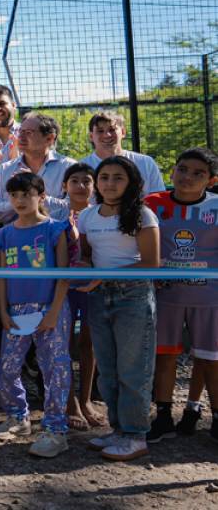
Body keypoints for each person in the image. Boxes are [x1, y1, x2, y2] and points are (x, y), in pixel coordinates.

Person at [78, 156, 159, 461]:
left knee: (133, 369)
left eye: (118, 178)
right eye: (104, 177)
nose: (110, 183)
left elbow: (151, 265)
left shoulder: (142, 214)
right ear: (96, 182)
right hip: (98, 297)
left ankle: (136, 434)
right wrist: (82, 268)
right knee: (108, 371)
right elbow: (87, 256)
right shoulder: (87, 216)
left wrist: (103, 275)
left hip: (133, 297)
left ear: (132, 182)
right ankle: (118, 430)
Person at [0, 172, 72, 459]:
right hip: (15, 311)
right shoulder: (4, 233)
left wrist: (53, 311)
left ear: (41, 195)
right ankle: (17, 416)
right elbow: (1, 276)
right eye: (14, 195)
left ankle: (55, 430)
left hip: (51, 309)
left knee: (55, 369)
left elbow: (63, 275)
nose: (20, 200)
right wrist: (2, 310)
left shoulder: (55, 229)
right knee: (7, 366)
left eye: (26, 194)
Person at [144, 148, 218, 445]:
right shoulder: (151, 205)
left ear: (211, 180)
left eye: (198, 173)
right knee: (165, 356)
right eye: (182, 169)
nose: (187, 177)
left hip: (210, 297)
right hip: (166, 295)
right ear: (172, 171)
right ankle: (163, 418)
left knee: (211, 359)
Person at [60, 163, 107, 431]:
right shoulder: (55, 216)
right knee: (64, 345)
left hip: (93, 287)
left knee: (88, 343)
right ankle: (69, 403)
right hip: (64, 288)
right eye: (74, 180)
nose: (80, 186)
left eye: (86, 181)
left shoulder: (100, 215)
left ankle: (86, 399)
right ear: (65, 186)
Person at [0, 112, 76, 225]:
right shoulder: (4, 170)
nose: (21, 137)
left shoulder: (68, 167)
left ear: (49, 138)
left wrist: (38, 196)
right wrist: (18, 201)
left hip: (57, 238)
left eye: (28, 132)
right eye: (20, 131)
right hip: (15, 239)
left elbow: (75, 209)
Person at [80, 112, 165, 196]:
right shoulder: (82, 168)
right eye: (100, 131)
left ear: (123, 132)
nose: (107, 135)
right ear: (91, 136)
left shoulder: (146, 163)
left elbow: (158, 200)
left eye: (112, 129)